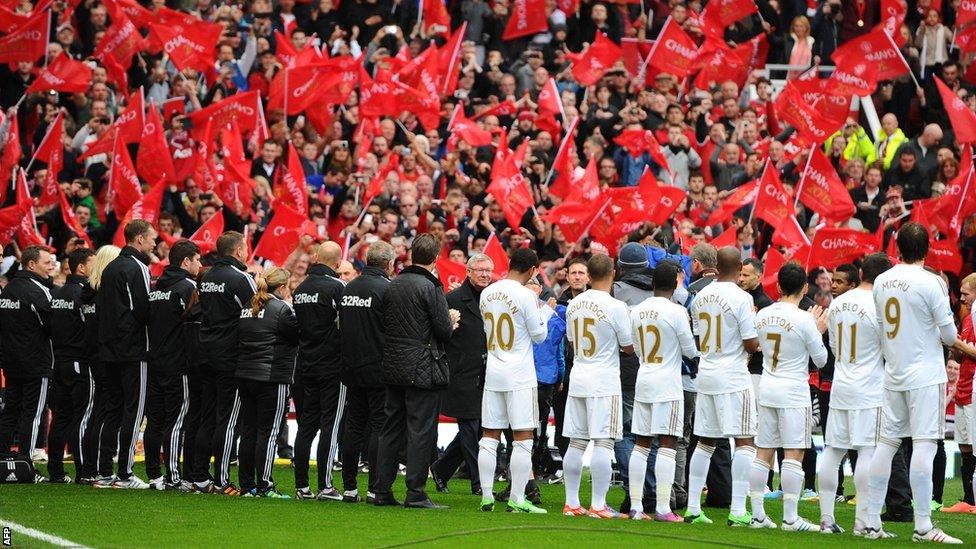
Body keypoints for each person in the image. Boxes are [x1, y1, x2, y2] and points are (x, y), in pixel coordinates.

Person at [865, 223, 963, 543]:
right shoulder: (931, 282)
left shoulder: (881, 281)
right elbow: (949, 335)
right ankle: (923, 526)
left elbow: (881, 326)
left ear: (898, 248)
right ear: (927, 250)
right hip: (924, 374)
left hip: (893, 371)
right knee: (924, 444)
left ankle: (870, 521)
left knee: (888, 444)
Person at [373, 233, 459, 509]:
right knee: (421, 430)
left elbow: (384, 323)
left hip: (394, 363)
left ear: (411, 255)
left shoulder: (393, 284)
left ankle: (382, 490)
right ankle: (416, 492)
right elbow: (443, 330)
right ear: (435, 259)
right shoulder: (430, 287)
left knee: (391, 428)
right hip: (422, 366)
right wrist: (452, 319)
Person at [749, 262, 828, 532]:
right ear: (805, 288)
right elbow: (820, 360)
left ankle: (757, 514)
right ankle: (791, 518)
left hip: (768, 387)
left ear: (778, 286)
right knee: (793, 452)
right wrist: (818, 331)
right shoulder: (805, 319)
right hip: (794, 391)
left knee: (763, 452)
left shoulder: (762, 315)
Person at [685, 246, 761, 526]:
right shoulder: (742, 298)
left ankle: (693, 508)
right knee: (744, 440)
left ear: (716, 265)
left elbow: (697, 336)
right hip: (732, 374)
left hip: (707, 371)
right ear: (740, 267)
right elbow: (750, 342)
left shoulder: (700, 297)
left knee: (705, 441)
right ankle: (739, 510)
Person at [818, 254, 892, 533]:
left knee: (833, 450)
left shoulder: (839, 302)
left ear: (861, 273)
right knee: (867, 451)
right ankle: (864, 521)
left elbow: (834, 348)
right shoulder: (880, 304)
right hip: (869, 386)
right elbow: (889, 348)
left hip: (842, 383)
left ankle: (826, 519)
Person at [562, 254, 635, 518]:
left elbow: (571, 340)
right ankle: (598, 504)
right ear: (613, 273)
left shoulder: (573, 304)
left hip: (579, 375)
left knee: (576, 442)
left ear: (589, 276)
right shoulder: (616, 307)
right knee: (603, 442)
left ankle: (571, 503)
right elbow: (629, 347)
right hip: (604, 380)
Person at [476, 248, 548, 513]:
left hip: (494, 370)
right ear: (532, 271)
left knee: (489, 435)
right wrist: (545, 311)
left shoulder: (487, 292)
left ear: (509, 264)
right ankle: (517, 498)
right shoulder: (527, 295)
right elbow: (539, 336)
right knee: (523, 436)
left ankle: (486, 495)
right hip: (519, 373)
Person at [627, 261, 699, 522]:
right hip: (668, 384)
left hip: (644, 378)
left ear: (653, 283)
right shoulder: (677, 312)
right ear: (676, 284)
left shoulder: (637, 310)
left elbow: (634, 347)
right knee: (668, 443)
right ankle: (662, 508)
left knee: (642, 444)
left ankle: (636, 507)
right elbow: (690, 351)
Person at [192, 231, 256, 495]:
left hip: (205, 352)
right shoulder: (240, 279)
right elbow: (257, 311)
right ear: (239, 251)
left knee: (207, 417)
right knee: (227, 420)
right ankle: (221, 480)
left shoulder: (206, 277)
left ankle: (198, 476)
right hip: (230, 356)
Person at [95, 220, 156, 489]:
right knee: (134, 411)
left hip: (108, 350)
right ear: (140, 239)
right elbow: (143, 310)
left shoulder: (110, 268)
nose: (155, 243)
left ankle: (104, 472)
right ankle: (125, 474)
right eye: (152, 238)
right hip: (133, 350)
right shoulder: (137, 267)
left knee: (113, 411)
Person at [430, 253, 494, 497]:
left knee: (476, 429)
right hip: (460, 374)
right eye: (480, 270)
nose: (485, 275)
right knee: (470, 427)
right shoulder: (452, 299)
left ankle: (441, 468)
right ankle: (478, 482)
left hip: (485, 373)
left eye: (488, 270)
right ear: (468, 272)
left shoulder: (493, 298)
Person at [338, 241, 394, 503]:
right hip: (378, 367)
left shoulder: (350, 287)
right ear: (388, 264)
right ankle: (375, 487)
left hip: (351, 366)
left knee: (354, 426)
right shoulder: (386, 289)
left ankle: (349, 487)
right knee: (379, 427)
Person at [235, 267, 298, 498]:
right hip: (272, 377)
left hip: (245, 375)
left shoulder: (246, 307)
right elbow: (296, 337)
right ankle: (264, 485)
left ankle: (246, 485)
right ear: (282, 288)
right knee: (268, 433)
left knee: (249, 431)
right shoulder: (282, 309)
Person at [144, 240, 202, 491]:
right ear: (186, 261)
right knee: (176, 421)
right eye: (197, 259)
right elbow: (196, 323)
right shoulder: (188, 287)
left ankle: (153, 475)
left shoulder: (155, 287)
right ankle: (174, 477)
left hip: (154, 361)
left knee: (155, 420)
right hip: (178, 364)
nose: (200, 264)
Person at [292, 242, 346, 501]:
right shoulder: (337, 287)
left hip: (305, 365)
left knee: (306, 426)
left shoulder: (300, 289)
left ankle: (302, 486)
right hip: (332, 366)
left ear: (316, 258)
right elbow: (345, 325)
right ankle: (326, 486)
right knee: (330, 426)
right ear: (337, 263)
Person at [0, 246, 55, 477]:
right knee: (33, 413)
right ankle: (26, 464)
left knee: (11, 410)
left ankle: (3, 459)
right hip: (36, 363)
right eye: (47, 262)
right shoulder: (38, 292)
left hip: (12, 362)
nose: (52, 266)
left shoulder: (8, 288)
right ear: (32, 265)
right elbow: (52, 328)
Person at [610, 242, 654, 513]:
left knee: (625, 434)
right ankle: (654, 493)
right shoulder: (662, 291)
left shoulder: (616, 291)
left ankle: (635, 491)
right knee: (651, 435)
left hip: (625, 367)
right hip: (656, 369)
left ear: (621, 267)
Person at [46, 248, 96, 483]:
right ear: (82, 268)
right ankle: (84, 472)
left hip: (59, 362)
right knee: (81, 417)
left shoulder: (56, 294)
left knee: (60, 417)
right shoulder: (83, 295)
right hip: (79, 363)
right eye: (93, 264)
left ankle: (55, 471)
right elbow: (90, 330)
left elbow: (48, 329)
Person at [77, 245, 120, 484]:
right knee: (107, 413)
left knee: (98, 413)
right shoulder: (107, 294)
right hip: (108, 357)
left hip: (93, 357)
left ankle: (90, 467)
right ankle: (103, 467)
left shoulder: (87, 292)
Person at [944, 273, 976, 513]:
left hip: (974, 386)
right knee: (964, 444)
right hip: (964, 386)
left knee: (973, 444)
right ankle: (968, 499)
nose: (962, 297)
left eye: (966, 292)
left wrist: (956, 343)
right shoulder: (968, 318)